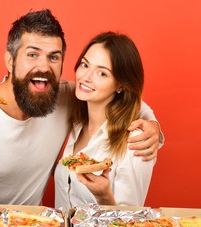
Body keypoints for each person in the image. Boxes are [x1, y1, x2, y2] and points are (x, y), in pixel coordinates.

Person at [0, 9, 162, 205]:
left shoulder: (62, 96)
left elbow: (121, 98)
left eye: (53, 57)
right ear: (10, 60)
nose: (44, 67)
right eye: (32, 54)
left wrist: (152, 125)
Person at [54, 32, 155, 212]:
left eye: (102, 73)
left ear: (120, 85)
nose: (86, 77)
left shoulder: (135, 142)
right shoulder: (77, 122)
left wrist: (104, 197)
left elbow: (129, 223)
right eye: (85, 64)